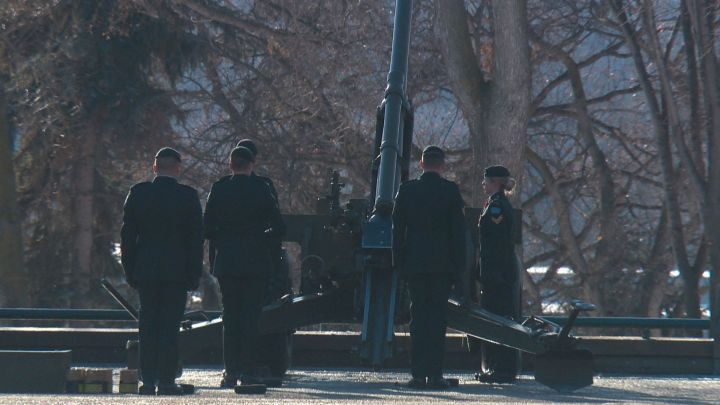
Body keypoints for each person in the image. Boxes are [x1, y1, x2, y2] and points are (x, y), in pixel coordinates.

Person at [120, 147, 203, 396]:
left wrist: (130, 269)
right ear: (178, 168)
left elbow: (127, 236)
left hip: (145, 270)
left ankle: (148, 380)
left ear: (154, 167)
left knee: (148, 326)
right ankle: (167, 380)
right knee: (170, 326)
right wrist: (193, 273)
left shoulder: (139, 193)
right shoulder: (188, 197)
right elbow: (195, 240)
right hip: (176, 272)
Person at [204, 146, 285, 388]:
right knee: (251, 318)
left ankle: (230, 371)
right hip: (255, 261)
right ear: (252, 164)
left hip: (228, 261)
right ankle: (248, 371)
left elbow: (207, 227)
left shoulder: (219, 188)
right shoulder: (261, 189)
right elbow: (279, 226)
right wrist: (263, 238)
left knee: (230, 317)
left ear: (231, 164)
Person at [392, 145, 466, 389]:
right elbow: (458, 233)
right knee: (437, 321)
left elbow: (397, 230)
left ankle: (417, 374)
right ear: (442, 165)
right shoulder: (450, 191)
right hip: (442, 267)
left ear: (421, 164)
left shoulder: (408, 190)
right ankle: (435, 374)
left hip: (415, 264)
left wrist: (399, 261)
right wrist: (459, 266)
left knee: (418, 320)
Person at [476, 165, 520, 384]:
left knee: (499, 320)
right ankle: (494, 366)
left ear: (495, 182)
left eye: (486, 180)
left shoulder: (497, 207)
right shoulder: (495, 204)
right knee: (495, 320)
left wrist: (490, 272)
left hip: (498, 273)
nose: (483, 184)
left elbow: (496, 243)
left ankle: (502, 368)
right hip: (496, 272)